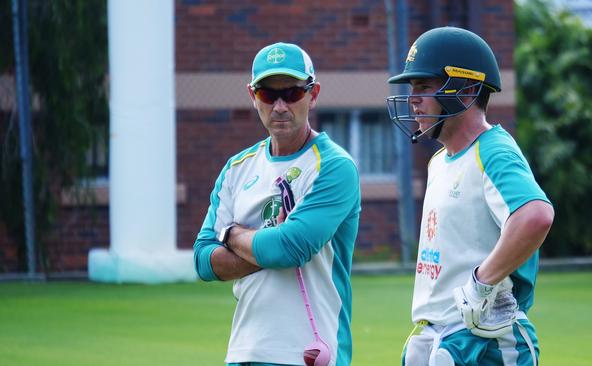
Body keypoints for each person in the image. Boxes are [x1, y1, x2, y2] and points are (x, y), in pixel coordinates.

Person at [386, 27, 554, 366]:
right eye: (411, 88)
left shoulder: (493, 152)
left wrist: (482, 283)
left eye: (424, 86)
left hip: (487, 340)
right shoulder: (439, 161)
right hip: (440, 333)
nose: (412, 99)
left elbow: (535, 215)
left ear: (467, 90)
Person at [193, 42, 361, 366]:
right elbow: (202, 260)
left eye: (293, 93)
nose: (280, 106)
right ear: (252, 96)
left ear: (313, 94)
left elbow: (290, 249)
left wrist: (230, 235)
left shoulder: (335, 166)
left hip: (311, 352)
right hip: (244, 351)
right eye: (268, 95)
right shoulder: (236, 168)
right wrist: (270, 242)